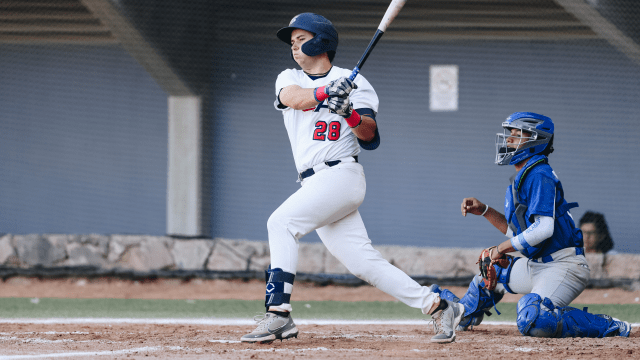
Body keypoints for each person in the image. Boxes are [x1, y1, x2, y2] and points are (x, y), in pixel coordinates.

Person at [240, 13, 464, 344]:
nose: (295, 47)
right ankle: (439, 305)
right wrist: (325, 92)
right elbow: (293, 98)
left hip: (341, 176)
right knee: (363, 263)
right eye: (292, 42)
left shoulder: (354, 82)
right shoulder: (289, 77)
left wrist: (349, 111)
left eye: (302, 40)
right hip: (313, 183)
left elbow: (370, 138)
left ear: (321, 41)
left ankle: (278, 314)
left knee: (281, 223)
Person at [430, 112, 631, 338]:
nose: (508, 140)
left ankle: (608, 325)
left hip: (563, 267)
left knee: (535, 319)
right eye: (510, 135)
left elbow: (544, 229)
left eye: (517, 135)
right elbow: (520, 233)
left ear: (535, 141)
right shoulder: (522, 177)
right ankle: (462, 313)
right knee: (492, 271)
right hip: (536, 265)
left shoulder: (539, 174)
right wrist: (485, 211)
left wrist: (499, 249)